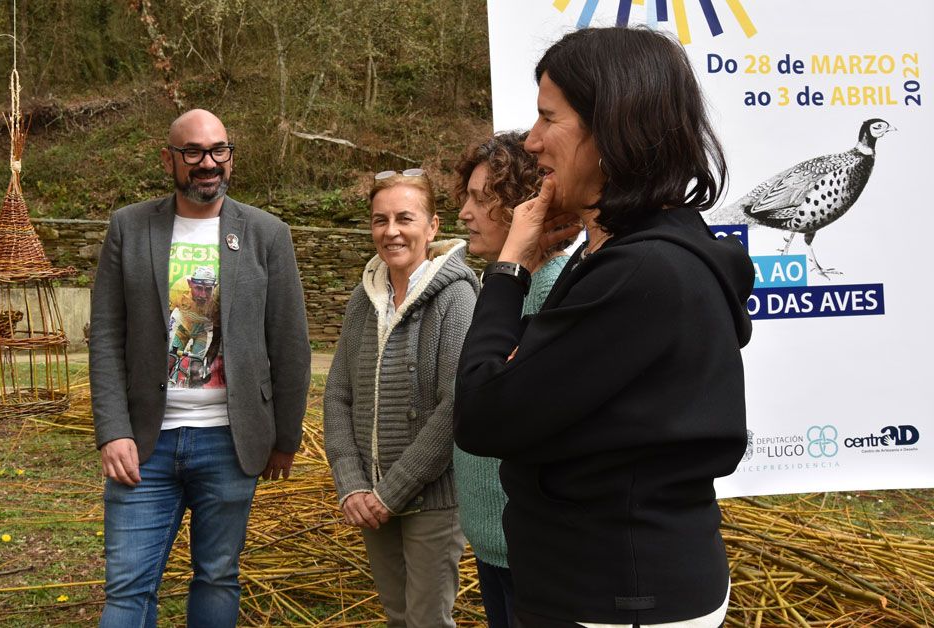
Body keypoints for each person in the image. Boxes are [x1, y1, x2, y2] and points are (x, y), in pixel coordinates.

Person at [454, 27, 754, 628]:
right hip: (598, 585)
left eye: (548, 119)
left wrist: (509, 268)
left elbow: (484, 413)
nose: (532, 142)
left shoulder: (643, 272)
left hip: (619, 597)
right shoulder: (626, 255)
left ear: (612, 126)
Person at [90, 109, 312, 627]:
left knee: (217, 575)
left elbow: (290, 341)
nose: (207, 163)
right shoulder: (129, 226)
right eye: (193, 152)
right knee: (126, 589)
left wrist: (286, 437)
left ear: (230, 156)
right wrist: (112, 431)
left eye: (218, 151)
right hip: (144, 445)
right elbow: (104, 336)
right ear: (169, 159)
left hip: (231, 442)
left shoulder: (266, 233)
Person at [323, 168, 478, 627]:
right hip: (370, 496)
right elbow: (337, 394)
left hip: (431, 500)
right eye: (380, 220)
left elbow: (456, 407)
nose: (391, 232)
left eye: (405, 218)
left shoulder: (457, 298)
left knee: (427, 620)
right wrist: (351, 483)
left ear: (432, 226)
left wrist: (390, 493)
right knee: (396, 616)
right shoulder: (364, 298)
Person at [452, 130, 575, 628]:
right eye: (467, 197)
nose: (464, 212)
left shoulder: (552, 293)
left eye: (482, 200)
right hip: (494, 541)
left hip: (533, 553)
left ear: (527, 208)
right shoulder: (501, 287)